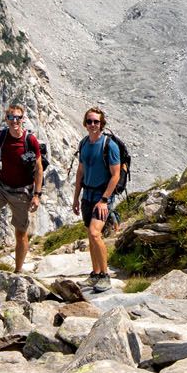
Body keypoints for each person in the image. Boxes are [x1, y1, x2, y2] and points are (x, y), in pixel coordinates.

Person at [0, 103, 44, 272]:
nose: (14, 121)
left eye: (18, 117)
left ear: (23, 119)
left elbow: (39, 169)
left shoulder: (30, 140)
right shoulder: (0, 137)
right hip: (2, 189)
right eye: (11, 117)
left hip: (22, 193)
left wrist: (37, 195)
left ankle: (18, 272)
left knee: (20, 233)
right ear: (6, 118)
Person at [73, 106, 122, 293]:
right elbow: (80, 171)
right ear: (85, 123)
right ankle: (95, 273)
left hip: (103, 196)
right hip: (88, 195)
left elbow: (115, 175)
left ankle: (105, 275)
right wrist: (76, 198)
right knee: (90, 234)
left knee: (95, 233)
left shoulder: (110, 145)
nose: (93, 124)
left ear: (102, 124)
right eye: (90, 121)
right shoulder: (84, 143)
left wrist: (104, 200)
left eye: (97, 122)